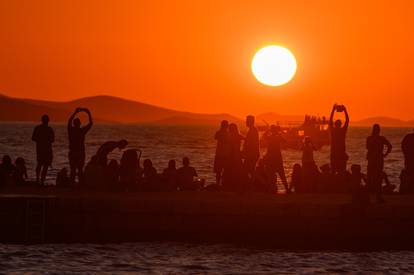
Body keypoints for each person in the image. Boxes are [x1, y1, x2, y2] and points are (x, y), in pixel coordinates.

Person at [366, 124, 392, 203]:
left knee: (373, 178)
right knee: (376, 178)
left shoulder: (370, 138)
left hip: (374, 160)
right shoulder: (380, 139)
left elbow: (368, 148)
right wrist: (385, 154)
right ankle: (377, 196)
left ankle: (373, 196)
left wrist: (385, 154)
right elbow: (389, 146)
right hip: (376, 160)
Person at [67, 108, 93, 184]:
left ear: (74, 124)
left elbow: (69, 121)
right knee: (79, 170)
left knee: (74, 170)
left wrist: (75, 113)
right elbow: (90, 123)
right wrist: (88, 113)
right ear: (79, 124)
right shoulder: (81, 131)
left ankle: (73, 184)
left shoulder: (71, 130)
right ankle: (79, 184)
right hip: (79, 152)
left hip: (75, 152)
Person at [262, 125, 288, 193]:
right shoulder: (278, 137)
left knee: (271, 175)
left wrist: (267, 130)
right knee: (282, 174)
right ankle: (287, 189)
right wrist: (279, 134)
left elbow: (263, 136)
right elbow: (285, 141)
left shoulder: (270, 137)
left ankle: (271, 189)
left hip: (270, 158)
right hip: (277, 158)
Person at [32, 114, 55, 185]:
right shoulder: (49, 129)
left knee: (40, 164)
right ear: (48, 121)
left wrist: (40, 140)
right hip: (47, 150)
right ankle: (41, 180)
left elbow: (33, 138)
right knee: (45, 166)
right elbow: (52, 140)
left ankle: (38, 179)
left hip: (40, 149)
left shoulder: (38, 128)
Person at [328, 104, 349, 174]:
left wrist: (333, 110)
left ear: (335, 124)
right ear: (340, 124)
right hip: (341, 152)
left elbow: (330, 120)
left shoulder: (333, 131)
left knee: (333, 170)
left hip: (334, 152)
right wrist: (345, 110)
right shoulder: (342, 131)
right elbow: (347, 120)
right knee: (342, 171)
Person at [223, 123, 244, 190]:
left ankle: (230, 185)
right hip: (235, 155)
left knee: (231, 170)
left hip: (233, 155)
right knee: (235, 171)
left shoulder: (230, 136)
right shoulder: (237, 136)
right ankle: (234, 185)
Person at [242, 115, 260, 181]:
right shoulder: (252, 130)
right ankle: (250, 185)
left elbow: (252, 143)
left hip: (252, 154)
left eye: (247, 121)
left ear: (251, 121)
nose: (246, 122)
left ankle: (251, 186)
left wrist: (245, 151)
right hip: (252, 154)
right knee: (249, 170)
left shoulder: (253, 130)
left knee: (249, 170)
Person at [214, 120, 229, 185]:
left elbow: (215, 137)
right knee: (224, 171)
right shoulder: (228, 133)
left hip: (219, 154)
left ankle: (218, 184)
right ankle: (223, 183)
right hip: (225, 154)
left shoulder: (219, 132)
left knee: (218, 171)